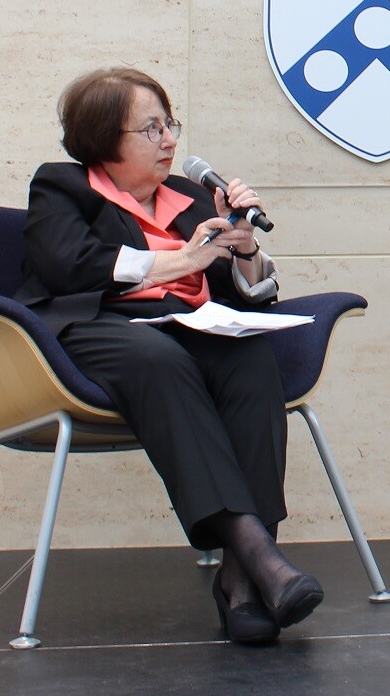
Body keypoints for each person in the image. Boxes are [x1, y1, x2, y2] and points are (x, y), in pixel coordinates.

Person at [17, 66, 321, 645]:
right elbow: (69, 265)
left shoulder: (187, 196)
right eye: (151, 129)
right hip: (103, 326)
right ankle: (258, 553)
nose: (170, 141)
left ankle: (240, 580)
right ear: (105, 139)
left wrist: (246, 248)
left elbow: (249, 291)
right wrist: (180, 262)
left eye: (170, 125)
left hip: (193, 326)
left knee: (253, 360)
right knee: (158, 358)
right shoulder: (63, 186)